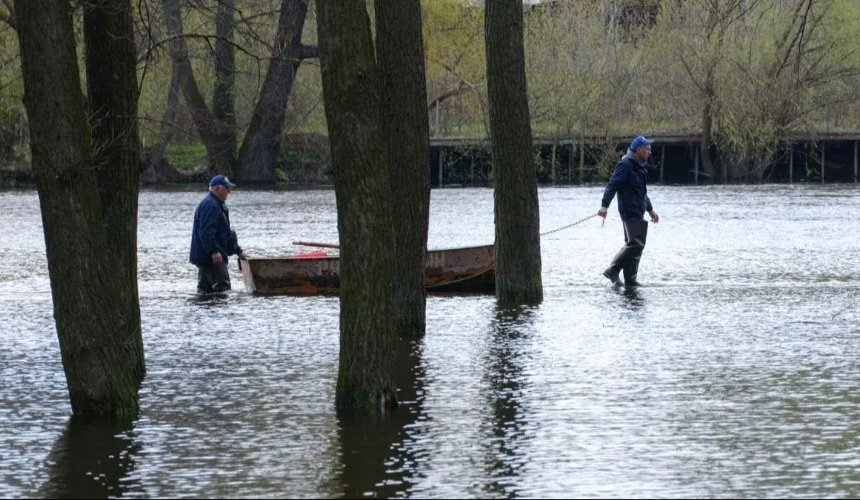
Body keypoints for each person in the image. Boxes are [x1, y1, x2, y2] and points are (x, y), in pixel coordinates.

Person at [597, 135, 660, 287]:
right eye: (647, 149)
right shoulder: (625, 164)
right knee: (636, 243)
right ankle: (612, 270)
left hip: (639, 209)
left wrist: (650, 210)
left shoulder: (640, 165)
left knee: (636, 244)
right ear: (638, 150)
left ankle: (630, 280)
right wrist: (604, 205)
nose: (650, 152)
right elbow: (612, 185)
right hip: (628, 209)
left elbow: (642, 192)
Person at [189, 174, 245, 294]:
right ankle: (219, 313)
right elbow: (205, 232)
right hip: (213, 260)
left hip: (206, 260)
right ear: (217, 188)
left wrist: (238, 251)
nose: (229, 192)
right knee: (222, 292)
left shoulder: (216, 204)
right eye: (227, 188)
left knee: (204, 294)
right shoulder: (211, 205)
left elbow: (225, 234)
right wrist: (214, 252)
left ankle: (203, 313)